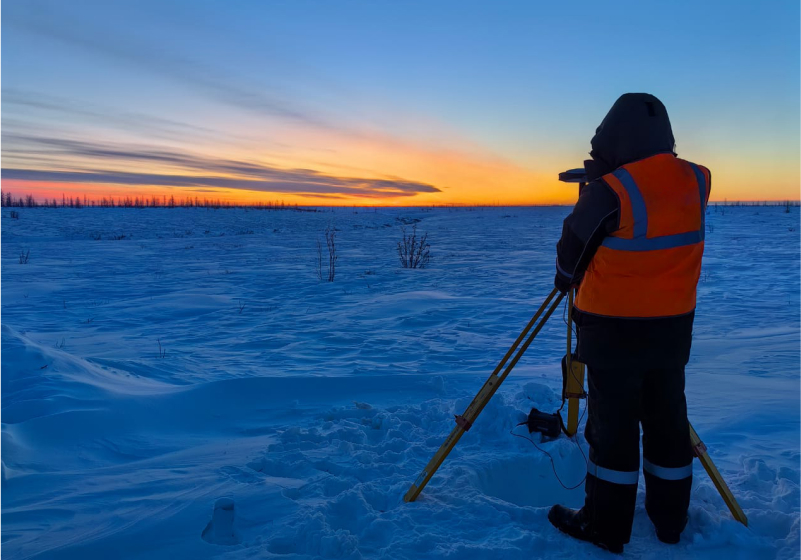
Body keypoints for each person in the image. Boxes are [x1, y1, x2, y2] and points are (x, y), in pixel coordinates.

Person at [548, 93, 711, 553]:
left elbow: (571, 251)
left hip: (614, 331)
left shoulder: (611, 190)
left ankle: (605, 525)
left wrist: (565, 280)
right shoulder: (698, 181)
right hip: (673, 329)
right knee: (667, 423)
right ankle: (670, 521)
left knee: (613, 432)